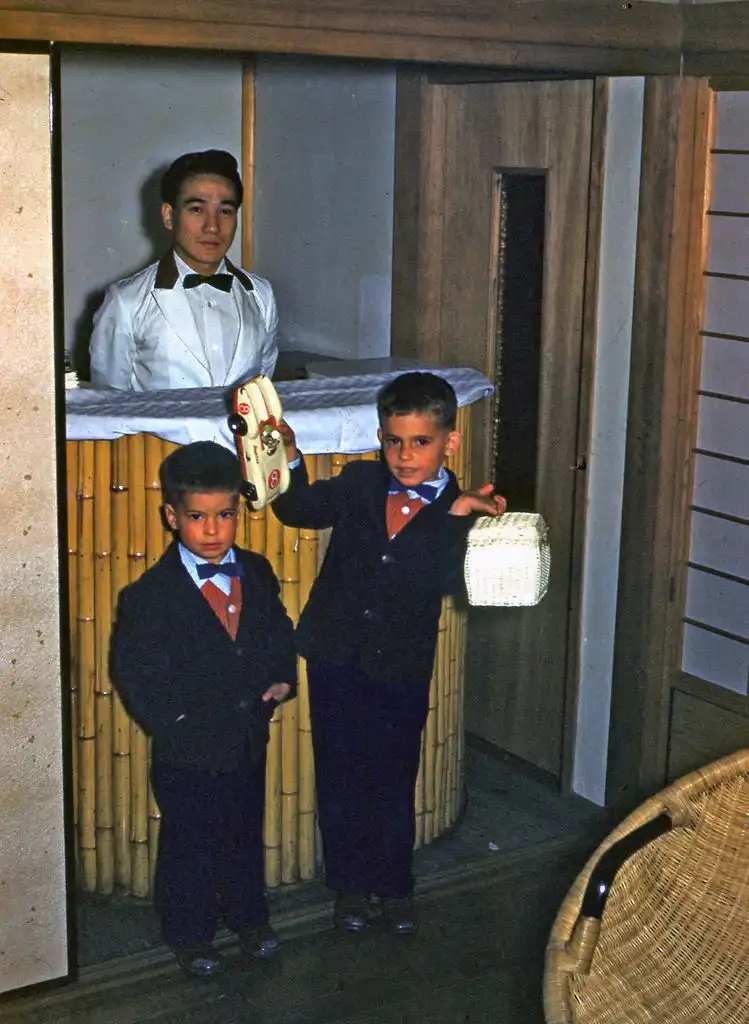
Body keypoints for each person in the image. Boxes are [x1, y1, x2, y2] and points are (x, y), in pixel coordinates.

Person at [272, 372, 506, 935]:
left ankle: (394, 886)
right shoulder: (359, 482)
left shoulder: (461, 508)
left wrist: (456, 518)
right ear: (380, 437)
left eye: (420, 442)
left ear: (449, 441)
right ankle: (350, 888)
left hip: (400, 667)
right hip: (334, 655)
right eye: (394, 441)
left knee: (393, 777)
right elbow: (297, 509)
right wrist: (291, 457)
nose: (404, 456)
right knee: (340, 774)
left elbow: (446, 581)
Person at [109, 441, 296, 977]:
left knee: (243, 830)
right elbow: (133, 672)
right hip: (186, 747)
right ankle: (189, 933)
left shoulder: (256, 571)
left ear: (238, 511)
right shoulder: (148, 596)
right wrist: (174, 723)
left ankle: (248, 917)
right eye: (197, 517)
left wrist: (283, 677)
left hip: (247, 735)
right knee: (189, 840)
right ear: (171, 516)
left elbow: (277, 631)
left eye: (225, 515)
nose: (213, 530)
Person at [90, 149, 278, 391]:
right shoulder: (126, 301)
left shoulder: (262, 296)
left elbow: (262, 387)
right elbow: (109, 402)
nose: (212, 226)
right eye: (197, 209)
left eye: (225, 211)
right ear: (169, 216)